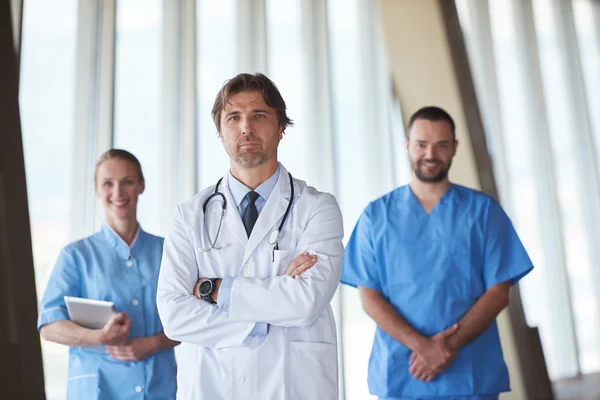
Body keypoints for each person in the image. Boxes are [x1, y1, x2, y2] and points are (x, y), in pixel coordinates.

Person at [157, 73, 344, 400]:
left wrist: (215, 289)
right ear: (220, 131)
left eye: (259, 115)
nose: (247, 127)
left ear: (281, 127)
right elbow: (174, 316)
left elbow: (305, 302)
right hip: (211, 385)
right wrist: (260, 320)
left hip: (293, 387)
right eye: (234, 117)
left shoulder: (318, 208)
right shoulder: (189, 216)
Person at [341, 106, 534, 400]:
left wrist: (447, 347)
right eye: (421, 144)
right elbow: (369, 295)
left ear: (454, 148)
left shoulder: (483, 212)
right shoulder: (376, 216)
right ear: (407, 146)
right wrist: (423, 347)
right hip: (402, 371)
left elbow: (498, 292)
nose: (430, 154)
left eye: (441, 145)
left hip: (470, 372)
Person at [37, 149, 178, 400]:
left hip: (159, 387)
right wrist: (98, 337)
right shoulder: (76, 255)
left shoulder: (168, 252)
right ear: (96, 190)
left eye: (127, 181)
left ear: (141, 185)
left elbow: (192, 317)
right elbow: (49, 326)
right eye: (107, 184)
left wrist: (154, 343)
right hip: (98, 389)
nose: (118, 192)